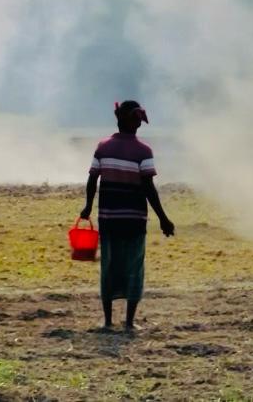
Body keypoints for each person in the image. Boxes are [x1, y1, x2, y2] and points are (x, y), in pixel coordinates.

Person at [80, 100, 175, 334]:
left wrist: (88, 207)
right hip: (134, 220)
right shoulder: (143, 151)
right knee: (134, 266)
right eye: (137, 121)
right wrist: (163, 218)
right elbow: (148, 188)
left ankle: (108, 321)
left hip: (108, 218)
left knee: (109, 266)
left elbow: (93, 180)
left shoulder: (103, 147)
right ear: (129, 120)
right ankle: (130, 323)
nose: (139, 126)